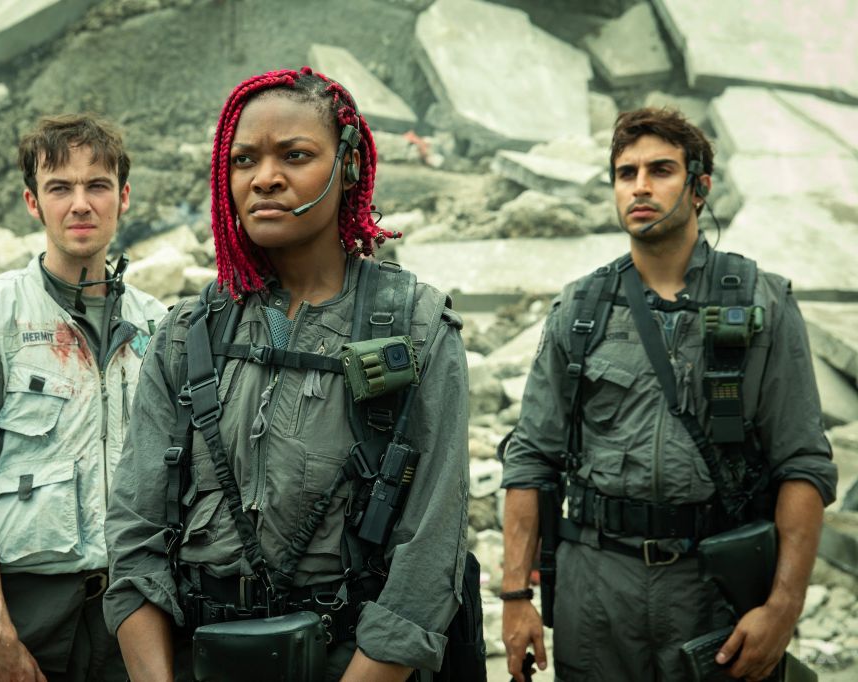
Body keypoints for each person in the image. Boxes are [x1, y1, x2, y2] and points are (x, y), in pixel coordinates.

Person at [103, 67, 470, 682]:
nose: (265, 178)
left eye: (295, 156)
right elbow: (136, 535)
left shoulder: (417, 327)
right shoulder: (189, 331)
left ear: (347, 167)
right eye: (243, 159)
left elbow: (430, 555)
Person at [500, 107, 837, 682]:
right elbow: (531, 457)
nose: (640, 186)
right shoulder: (580, 309)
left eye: (661, 170)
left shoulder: (764, 301)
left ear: (700, 187)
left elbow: (802, 463)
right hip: (596, 589)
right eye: (625, 173)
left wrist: (783, 608)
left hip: (712, 588)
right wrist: (514, 597)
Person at [0, 113, 167, 682]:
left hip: (134, 609)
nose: (80, 204)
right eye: (60, 187)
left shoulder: (159, 324)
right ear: (33, 202)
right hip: (31, 613)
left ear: (124, 197)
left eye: (97, 186)